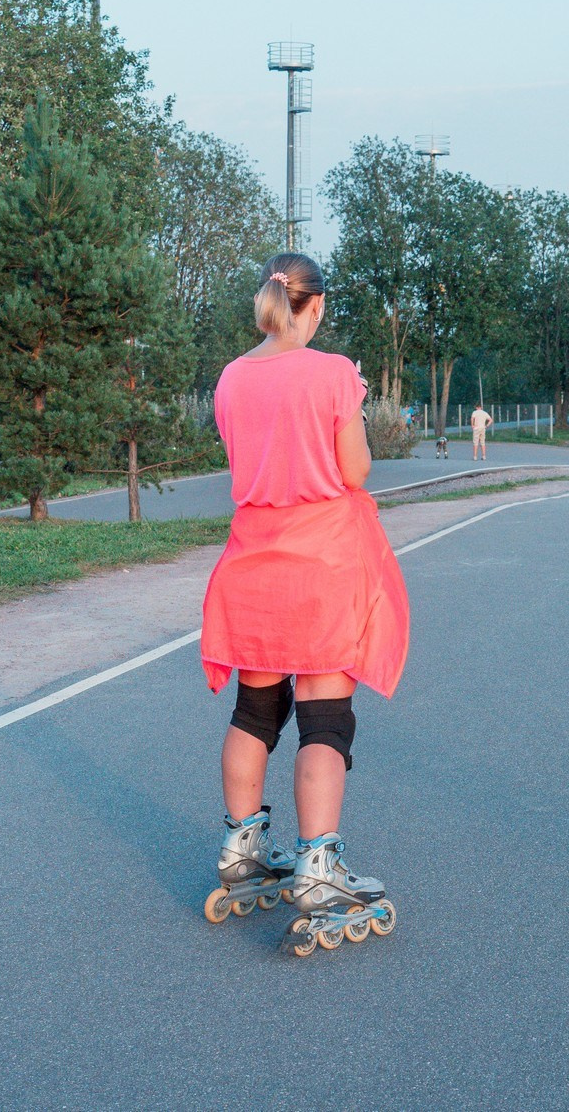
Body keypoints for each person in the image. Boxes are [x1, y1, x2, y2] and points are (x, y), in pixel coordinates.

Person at [199, 252, 408, 956]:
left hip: (253, 562)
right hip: (323, 565)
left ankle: (242, 851)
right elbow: (354, 470)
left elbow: (247, 461)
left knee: (255, 710)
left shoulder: (231, 377)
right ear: (313, 306)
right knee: (325, 716)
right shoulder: (333, 372)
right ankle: (318, 870)